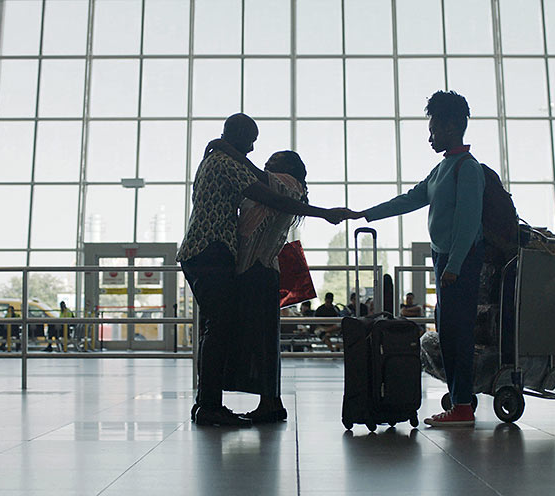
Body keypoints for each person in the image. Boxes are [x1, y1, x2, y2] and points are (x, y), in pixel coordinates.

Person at [178, 113, 342, 426]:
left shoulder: (231, 164)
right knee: (223, 328)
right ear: (236, 135)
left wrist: (223, 147)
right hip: (214, 252)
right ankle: (212, 404)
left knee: (226, 330)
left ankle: (218, 403)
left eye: (270, 159)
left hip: (234, 261)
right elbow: (263, 191)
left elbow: (269, 192)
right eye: (250, 141)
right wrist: (324, 214)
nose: (254, 152)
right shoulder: (225, 163)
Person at [338, 90, 485, 427]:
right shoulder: (442, 169)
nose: (430, 136)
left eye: (433, 129)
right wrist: (364, 214)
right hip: (444, 259)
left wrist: (455, 265)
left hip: (457, 262)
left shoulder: (468, 168)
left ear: (450, 126)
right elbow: (408, 200)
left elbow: (468, 221)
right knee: (448, 332)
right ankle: (461, 401)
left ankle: (462, 407)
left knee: (457, 333)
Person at [225, 150, 310, 423]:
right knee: (263, 340)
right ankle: (270, 401)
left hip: (258, 269)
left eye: (277, 160)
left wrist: (229, 151)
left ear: (291, 168)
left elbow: (258, 176)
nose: (268, 163)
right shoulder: (276, 186)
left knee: (262, 341)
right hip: (258, 269)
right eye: (269, 160)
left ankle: (270, 403)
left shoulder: (287, 184)